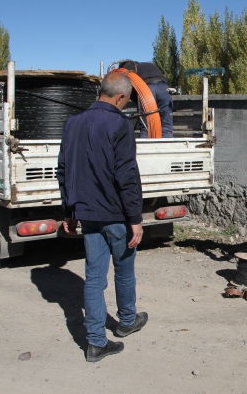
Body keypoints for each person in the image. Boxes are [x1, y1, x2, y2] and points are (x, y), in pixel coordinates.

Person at [57, 71, 148, 363]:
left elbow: (63, 170)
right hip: (116, 215)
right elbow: (126, 175)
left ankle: (96, 343)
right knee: (123, 270)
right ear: (120, 97)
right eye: (127, 101)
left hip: (87, 214)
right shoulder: (119, 124)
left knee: (94, 277)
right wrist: (135, 218)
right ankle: (126, 321)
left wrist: (69, 211)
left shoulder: (72, 123)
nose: (125, 106)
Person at [118, 61, 174, 138]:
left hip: (147, 89)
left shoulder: (127, 71)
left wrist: (139, 105)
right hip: (164, 88)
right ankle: (168, 147)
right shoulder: (147, 65)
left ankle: (145, 147)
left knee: (146, 126)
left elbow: (130, 91)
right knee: (166, 123)